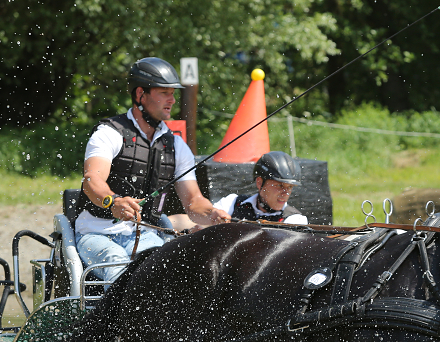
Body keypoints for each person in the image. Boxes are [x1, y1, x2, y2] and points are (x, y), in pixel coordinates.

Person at [76, 56, 230, 282]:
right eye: (164, 93)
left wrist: (212, 214)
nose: (172, 100)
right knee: (118, 268)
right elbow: (92, 180)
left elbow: (194, 203)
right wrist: (113, 201)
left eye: (173, 93)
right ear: (140, 95)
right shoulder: (109, 133)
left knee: (169, 275)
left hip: (146, 235)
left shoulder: (177, 146)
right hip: (96, 234)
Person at [213, 151, 309, 224]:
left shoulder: (295, 220)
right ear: (259, 183)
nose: (286, 193)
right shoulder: (232, 203)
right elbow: (201, 223)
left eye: (290, 187)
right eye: (280, 185)